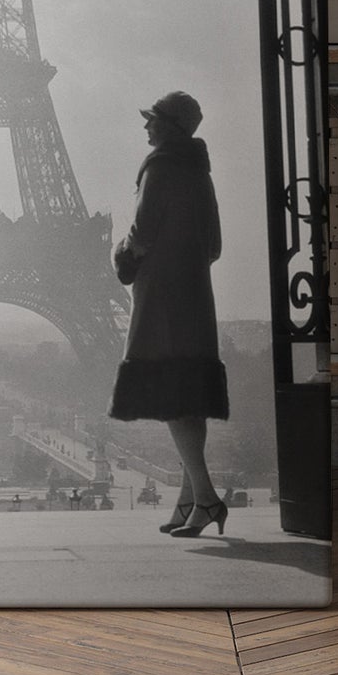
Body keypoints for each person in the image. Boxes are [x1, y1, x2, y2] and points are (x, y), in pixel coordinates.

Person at [109, 90, 229, 539]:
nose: (146, 127)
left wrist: (123, 255)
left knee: (172, 396)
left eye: (152, 120)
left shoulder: (159, 167)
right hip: (195, 292)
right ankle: (188, 501)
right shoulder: (201, 173)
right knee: (189, 394)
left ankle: (207, 498)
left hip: (162, 294)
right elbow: (214, 246)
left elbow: (141, 232)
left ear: (169, 127)